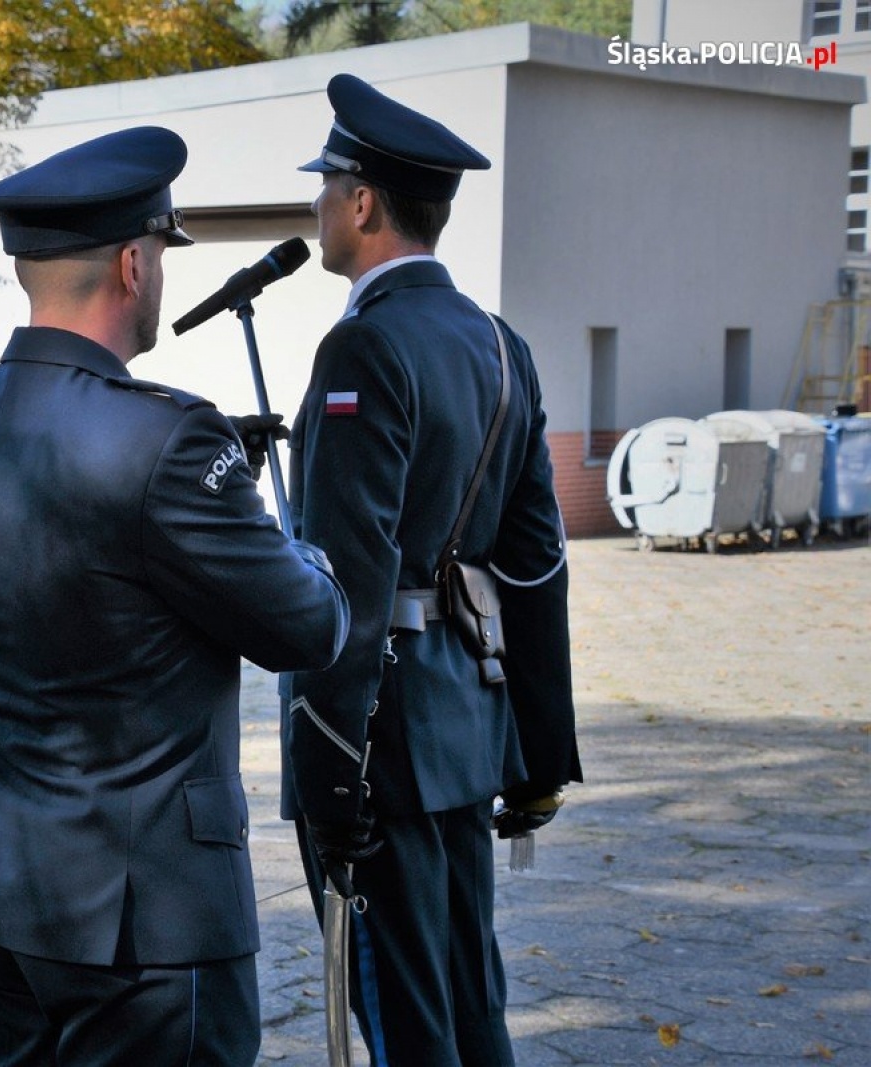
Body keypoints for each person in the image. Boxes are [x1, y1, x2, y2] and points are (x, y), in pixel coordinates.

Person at [0, 126, 349, 1067]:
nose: (158, 275)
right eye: (157, 255)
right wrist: (290, 537)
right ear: (129, 264)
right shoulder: (172, 442)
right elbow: (307, 626)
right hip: (137, 921)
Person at [281, 75, 584, 1066]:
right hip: (469, 721)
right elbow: (535, 563)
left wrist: (328, 765)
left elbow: (344, 578)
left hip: (382, 739)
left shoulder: (364, 345)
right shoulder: (502, 345)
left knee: (405, 1008)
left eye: (326, 187)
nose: (317, 208)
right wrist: (540, 747)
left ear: (361, 202)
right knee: (466, 994)